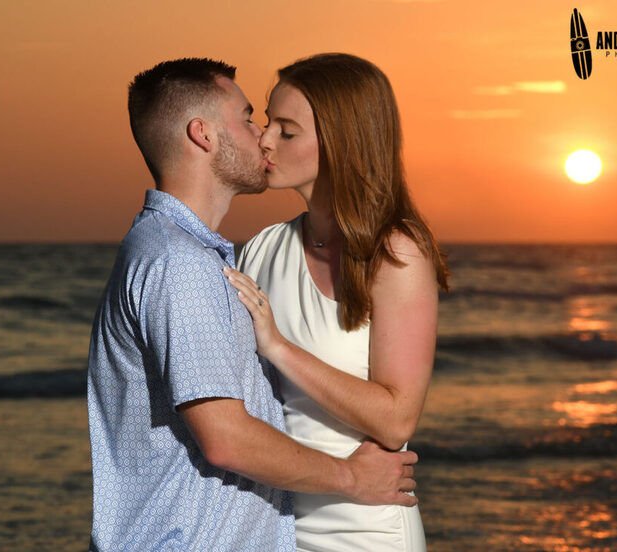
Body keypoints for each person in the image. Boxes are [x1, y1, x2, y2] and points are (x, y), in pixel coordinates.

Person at [86, 58, 418, 551]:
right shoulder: (181, 263)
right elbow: (227, 438)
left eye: (282, 128)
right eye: (249, 119)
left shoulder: (194, 254)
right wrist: (351, 477)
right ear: (203, 135)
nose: (262, 137)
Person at [230, 53, 450, 552]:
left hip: (365, 528)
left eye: (287, 131)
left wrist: (278, 347)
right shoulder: (262, 249)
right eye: (268, 122)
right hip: (274, 525)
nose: (265, 139)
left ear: (340, 143)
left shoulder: (395, 252)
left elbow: (397, 420)